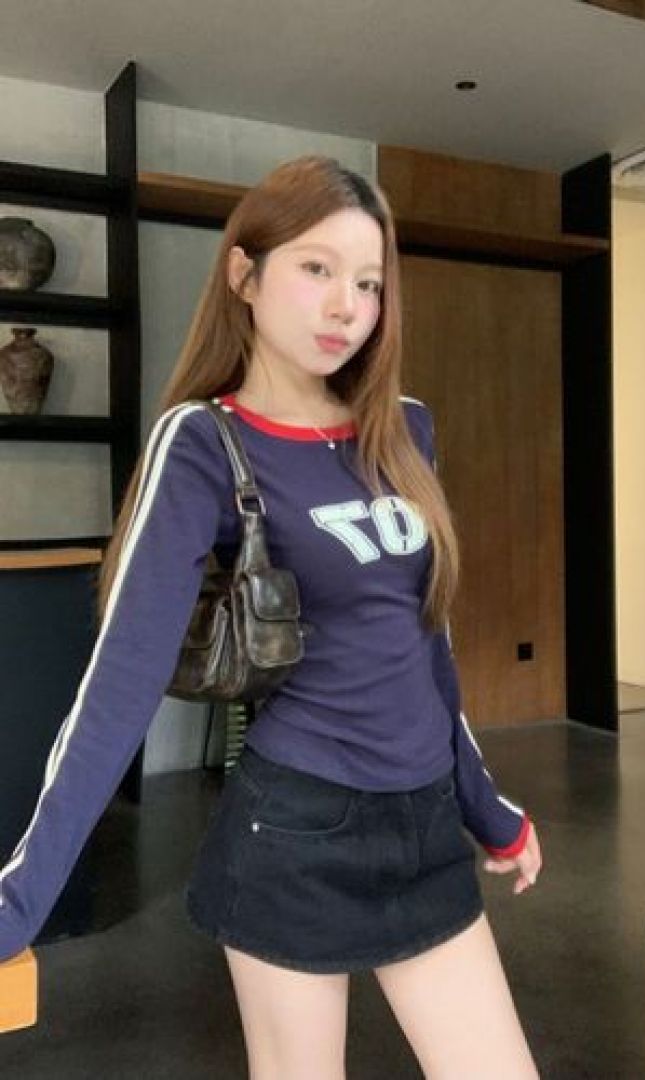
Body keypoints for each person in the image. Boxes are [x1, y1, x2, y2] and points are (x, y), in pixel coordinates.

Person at [0, 155, 543, 1078]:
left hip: (423, 830)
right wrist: (18, 902)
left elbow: (428, 650)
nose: (346, 306)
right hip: (295, 833)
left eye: (368, 283)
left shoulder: (406, 428)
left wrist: (488, 812)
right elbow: (121, 685)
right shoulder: (203, 443)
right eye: (317, 268)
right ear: (244, 275)